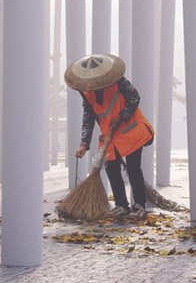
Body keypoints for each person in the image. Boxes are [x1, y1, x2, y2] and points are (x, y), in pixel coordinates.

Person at [66, 53, 155, 220]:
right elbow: (88, 118)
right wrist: (84, 143)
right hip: (111, 136)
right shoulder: (87, 94)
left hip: (132, 131)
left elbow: (135, 97)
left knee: (133, 168)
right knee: (111, 168)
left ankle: (140, 205)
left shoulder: (119, 82)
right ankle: (121, 205)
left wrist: (123, 115)